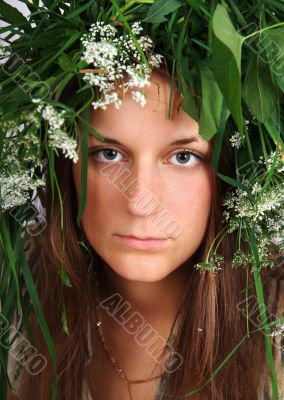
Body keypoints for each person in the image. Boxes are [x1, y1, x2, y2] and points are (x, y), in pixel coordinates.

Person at [1, 3, 283, 400]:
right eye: (108, 154)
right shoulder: (15, 295)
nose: (140, 201)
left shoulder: (276, 331)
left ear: (233, 174)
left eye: (184, 157)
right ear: (67, 164)